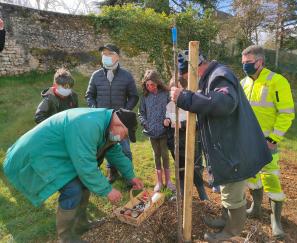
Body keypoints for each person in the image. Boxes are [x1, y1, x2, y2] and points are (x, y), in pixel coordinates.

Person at [170, 50, 272, 241]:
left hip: (235, 149)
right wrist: (184, 125)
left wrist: (184, 97)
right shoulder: (211, 78)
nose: (188, 83)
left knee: (233, 193)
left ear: (193, 70)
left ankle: (232, 231)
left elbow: (224, 104)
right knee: (227, 188)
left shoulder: (220, 76)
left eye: (185, 78)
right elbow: (208, 113)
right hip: (228, 147)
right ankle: (226, 219)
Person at [3, 108, 144, 243]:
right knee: (73, 190)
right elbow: (86, 166)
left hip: (59, 153)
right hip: (37, 154)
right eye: (125, 134)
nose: (123, 139)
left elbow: (114, 152)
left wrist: (131, 176)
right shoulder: (89, 125)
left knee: (83, 184)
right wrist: (107, 190)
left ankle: (81, 224)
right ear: (118, 124)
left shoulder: (107, 124)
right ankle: (66, 237)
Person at [241, 45, 295, 239]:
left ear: (260, 62)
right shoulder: (243, 83)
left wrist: (273, 139)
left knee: (270, 177)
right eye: (243, 63)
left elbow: (287, 114)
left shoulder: (277, 81)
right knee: (252, 176)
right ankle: (256, 208)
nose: (245, 66)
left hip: (267, 142)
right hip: (247, 141)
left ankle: (276, 220)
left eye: (248, 63)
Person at [85, 44, 139, 184]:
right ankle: (112, 171)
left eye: (109, 53)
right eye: (104, 54)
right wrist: (95, 110)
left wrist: (125, 112)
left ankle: (129, 177)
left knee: (125, 149)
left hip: (120, 121)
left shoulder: (126, 76)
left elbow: (134, 96)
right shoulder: (96, 76)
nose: (105, 56)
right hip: (103, 120)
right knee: (107, 146)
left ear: (117, 56)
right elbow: (89, 95)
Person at [164, 77, 208, 200]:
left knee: (194, 168)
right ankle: (181, 193)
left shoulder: (192, 103)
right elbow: (168, 116)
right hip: (176, 142)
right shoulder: (170, 105)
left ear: (184, 88)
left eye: (177, 87)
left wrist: (182, 124)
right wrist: (167, 120)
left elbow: (199, 123)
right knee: (179, 168)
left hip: (191, 142)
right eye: (172, 88)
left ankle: (202, 194)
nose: (174, 91)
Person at [138, 70, 175, 192]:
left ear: (157, 83)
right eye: (147, 85)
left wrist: (168, 119)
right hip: (151, 132)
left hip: (164, 131)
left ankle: (168, 181)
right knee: (156, 155)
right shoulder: (144, 96)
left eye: (152, 85)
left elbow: (171, 109)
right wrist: (146, 124)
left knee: (165, 155)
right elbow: (141, 113)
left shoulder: (165, 94)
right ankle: (159, 182)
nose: (150, 87)